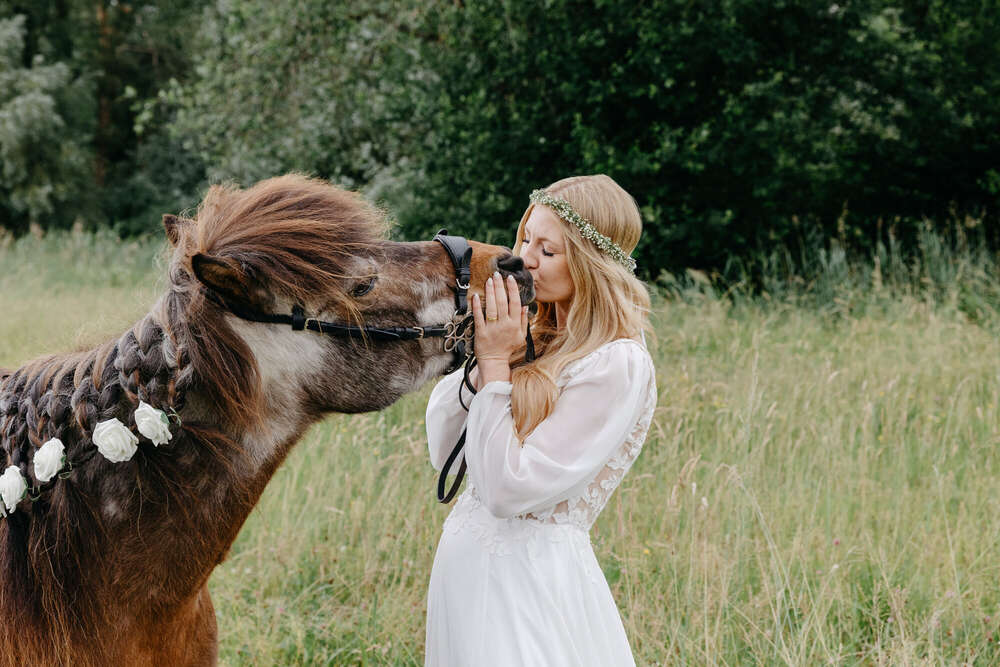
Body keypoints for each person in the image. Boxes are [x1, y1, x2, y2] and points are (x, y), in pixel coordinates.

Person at [424, 174, 657, 666]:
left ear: (592, 265)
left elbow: (510, 491)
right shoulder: (530, 340)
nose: (525, 258)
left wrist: (493, 365)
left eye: (547, 250)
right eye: (525, 238)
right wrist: (485, 355)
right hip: (465, 578)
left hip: (528, 586)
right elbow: (445, 448)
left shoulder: (615, 364)